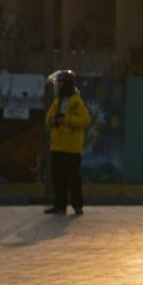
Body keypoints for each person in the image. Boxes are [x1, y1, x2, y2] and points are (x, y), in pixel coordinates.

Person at [44, 69, 91, 215]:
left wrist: (66, 120)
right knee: (58, 178)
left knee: (73, 178)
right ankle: (59, 206)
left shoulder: (77, 102)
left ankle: (78, 205)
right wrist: (53, 120)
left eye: (60, 83)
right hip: (57, 146)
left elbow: (85, 120)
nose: (58, 86)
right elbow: (47, 119)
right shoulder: (57, 102)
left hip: (71, 148)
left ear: (67, 84)